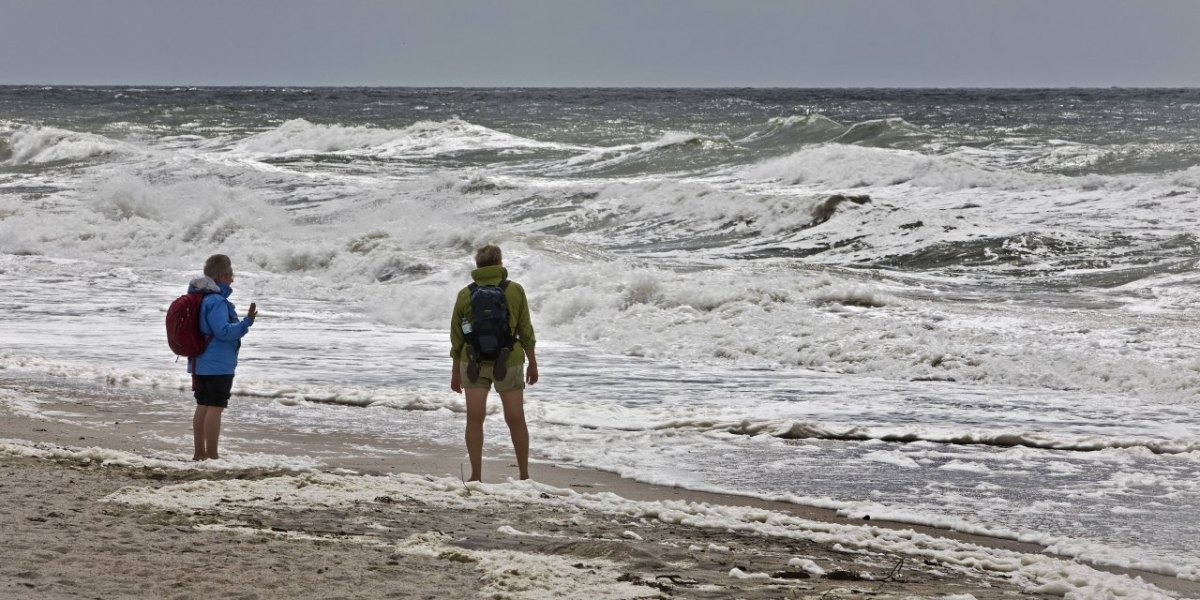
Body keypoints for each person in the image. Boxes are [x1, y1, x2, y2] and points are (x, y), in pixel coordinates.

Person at [450, 245, 537, 481]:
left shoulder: (465, 294)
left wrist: (455, 371)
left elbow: (457, 335)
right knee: (516, 418)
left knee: (475, 419)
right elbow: (525, 329)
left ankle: (476, 475)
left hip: (472, 361)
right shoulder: (515, 290)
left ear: (477, 266)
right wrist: (532, 361)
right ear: (499, 262)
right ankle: (524, 475)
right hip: (508, 360)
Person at [188, 254, 257, 461]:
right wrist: (247, 323)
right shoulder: (216, 301)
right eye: (229, 275)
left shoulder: (201, 297)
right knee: (215, 407)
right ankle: (212, 454)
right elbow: (224, 332)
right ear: (220, 276)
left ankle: (199, 453)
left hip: (200, 361)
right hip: (217, 364)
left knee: (203, 405)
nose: (232, 280)